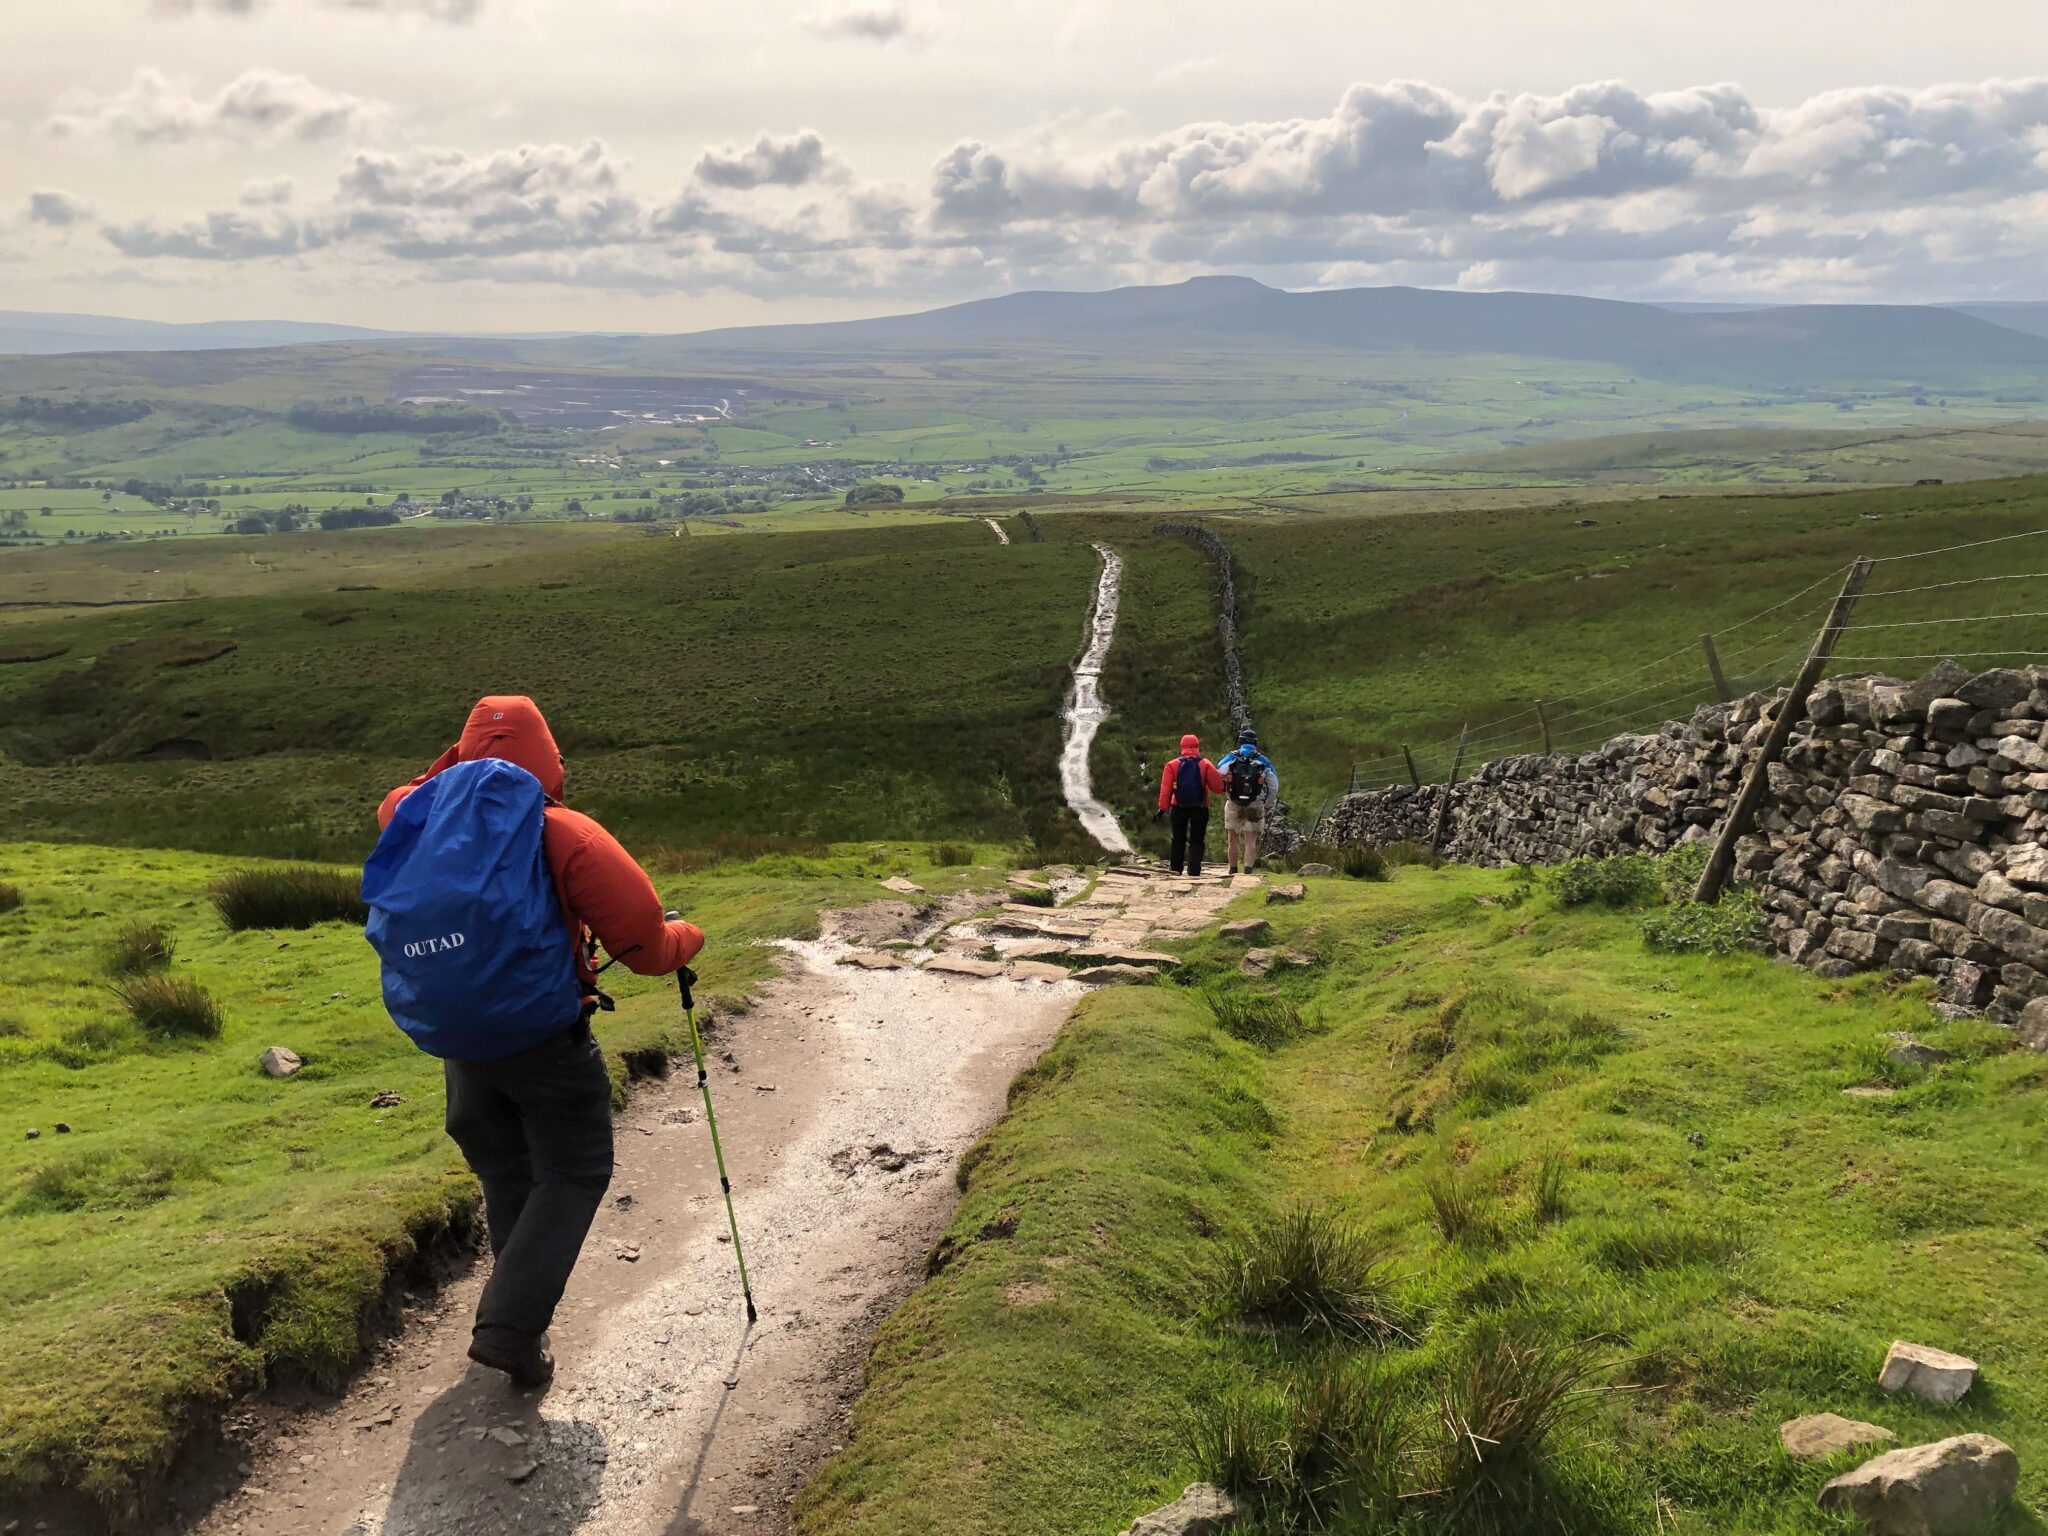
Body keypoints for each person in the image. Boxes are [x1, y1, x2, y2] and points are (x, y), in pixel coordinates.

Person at [367, 696, 704, 1390]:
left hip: (458, 1044)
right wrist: (687, 937)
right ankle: (510, 1327)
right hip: (545, 1040)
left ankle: (519, 1333)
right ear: (550, 760)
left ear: (459, 754)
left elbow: (410, 793)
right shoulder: (565, 832)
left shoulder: (409, 814)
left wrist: (449, 774)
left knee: (507, 1172)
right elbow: (642, 947)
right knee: (575, 1170)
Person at [1155, 732, 1226, 876]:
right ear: (1197, 746)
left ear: (1182, 746)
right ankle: (1194, 870)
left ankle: (1175, 869)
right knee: (1197, 840)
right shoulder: (1205, 764)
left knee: (1178, 839)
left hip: (1178, 807)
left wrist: (1162, 808)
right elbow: (1218, 788)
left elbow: (1165, 789)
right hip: (1199, 808)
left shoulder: (1172, 765)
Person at [1216, 729, 1280, 875]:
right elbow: (1274, 785)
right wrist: (1267, 803)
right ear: (1255, 743)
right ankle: (1248, 871)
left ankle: (1232, 869)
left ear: (1240, 741)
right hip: (1255, 803)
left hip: (1233, 802)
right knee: (1250, 840)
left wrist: (1225, 790)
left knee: (1233, 839)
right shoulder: (1263, 761)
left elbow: (1218, 773)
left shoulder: (1231, 757)